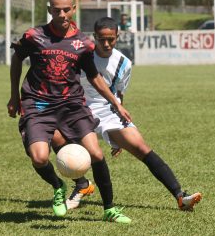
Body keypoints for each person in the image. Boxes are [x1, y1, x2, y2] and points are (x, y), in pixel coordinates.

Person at [7, 0, 133, 224]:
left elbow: (95, 77)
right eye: (57, 10)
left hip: (71, 104)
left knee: (95, 153)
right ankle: (58, 186)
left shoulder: (83, 43)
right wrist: (14, 96)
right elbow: (16, 60)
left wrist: (116, 104)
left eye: (66, 10)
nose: (62, 14)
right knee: (39, 158)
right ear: (49, 11)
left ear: (74, 8)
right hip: (38, 103)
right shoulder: (34, 36)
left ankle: (109, 209)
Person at [52, 16, 202, 212]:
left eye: (111, 39)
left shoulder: (124, 63)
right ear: (95, 37)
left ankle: (180, 196)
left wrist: (118, 131)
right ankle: (81, 184)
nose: (106, 44)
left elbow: (119, 93)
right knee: (55, 137)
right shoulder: (81, 55)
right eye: (101, 39)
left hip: (109, 110)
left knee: (141, 148)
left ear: (118, 36)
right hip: (79, 109)